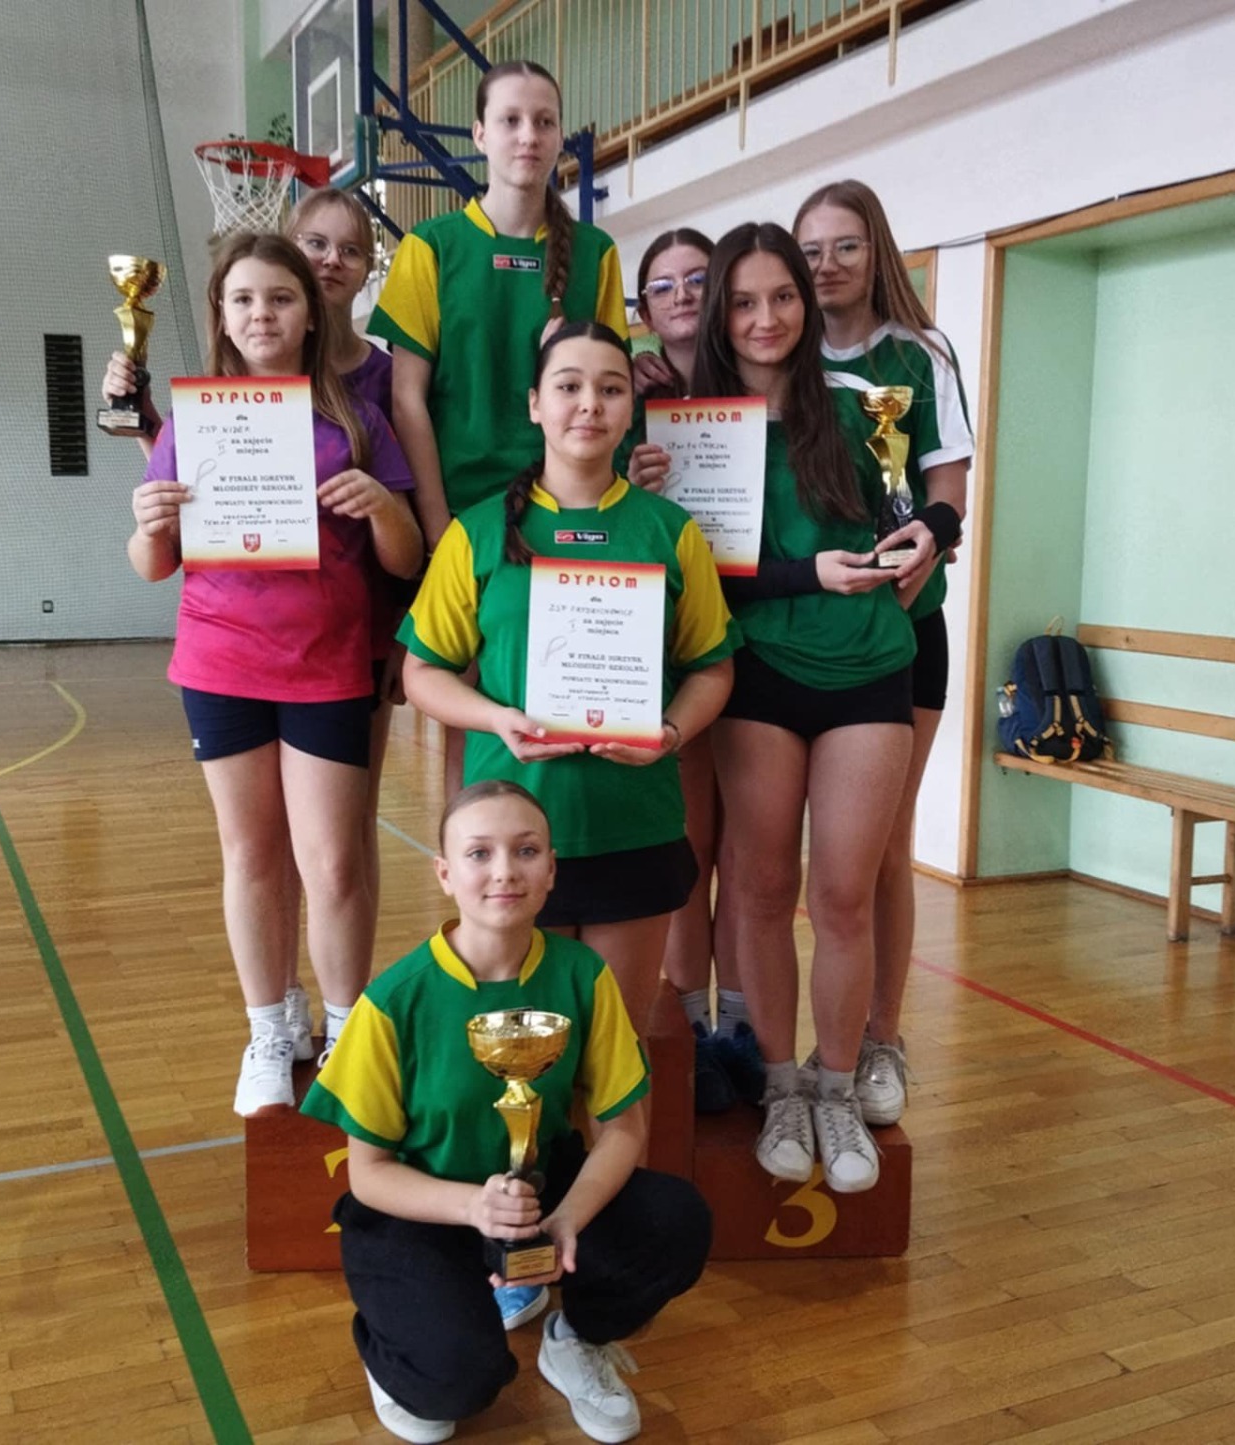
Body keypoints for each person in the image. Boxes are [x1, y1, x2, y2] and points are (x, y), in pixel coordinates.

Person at [302, 780, 711, 1444]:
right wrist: (473, 1207)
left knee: (676, 1218)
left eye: (526, 851)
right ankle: (395, 1353)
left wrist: (565, 1221)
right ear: (445, 873)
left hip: (540, 1191)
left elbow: (623, 1128)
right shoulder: (393, 1000)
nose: (504, 871)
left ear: (551, 869)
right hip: (422, 1208)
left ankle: (575, 1339)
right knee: (455, 1388)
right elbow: (368, 1174)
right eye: (479, 853)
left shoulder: (583, 974)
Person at [125, 232, 421, 1114]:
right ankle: (267, 1028)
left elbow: (407, 559)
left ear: (311, 313)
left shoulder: (357, 421)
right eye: (245, 298)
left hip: (328, 665)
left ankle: (344, 1031)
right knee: (251, 854)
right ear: (221, 315)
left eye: (281, 298)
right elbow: (153, 566)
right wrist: (148, 521)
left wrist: (382, 506)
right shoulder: (193, 423)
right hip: (221, 662)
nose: (263, 314)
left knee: (332, 861)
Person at [400, 321, 736, 1038]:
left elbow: (712, 667)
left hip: (632, 824)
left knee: (615, 1049)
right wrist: (496, 719)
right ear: (535, 404)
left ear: (629, 408)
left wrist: (671, 732)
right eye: (569, 386)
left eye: (611, 389)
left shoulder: (670, 531)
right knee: (522, 1058)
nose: (589, 404)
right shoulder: (477, 532)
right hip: (513, 836)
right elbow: (423, 672)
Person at [694, 222, 937, 1194]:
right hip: (758, 672)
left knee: (843, 893)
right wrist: (803, 574)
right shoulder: (693, 430)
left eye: (783, 296)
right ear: (720, 312)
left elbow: (914, 524)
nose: (766, 318)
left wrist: (909, 553)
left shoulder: (864, 407)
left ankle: (838, 1086)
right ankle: (782, 1084)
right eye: (744, 301)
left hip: (868, 670)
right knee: (761, 891)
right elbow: (698, 571)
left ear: (806, 301)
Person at [370, 59, 630, 798]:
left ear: (560, 137)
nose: (528, 135)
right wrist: (438, 527)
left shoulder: (596, 254)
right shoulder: (430, 247)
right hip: (466, 518)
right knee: (478, 721)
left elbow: (609, 387)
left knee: (570, 709)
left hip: (565, 513)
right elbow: (407, 399)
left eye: (544, 121)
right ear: (480, 134)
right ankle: (475, 866)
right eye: (511, 120)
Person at [795, 180, 973, 1126]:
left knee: (880, 851)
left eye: (846, 246)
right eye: (811, 249)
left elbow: (948, 488)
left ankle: (883, 1039)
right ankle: (789, 1047)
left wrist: (931, 535)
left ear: (877, 253)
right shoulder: (779, 355)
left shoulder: (921, 353)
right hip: (799, 635)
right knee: (797, 869)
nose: (826, 265)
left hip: (905, 630)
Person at [614, 230, 763, 1115]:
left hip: (761, 626)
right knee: (688, 844)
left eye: (698, 280)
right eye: (661, 285)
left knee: (748, 850)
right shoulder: (627, 393)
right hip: (665, 641)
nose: (681, 296)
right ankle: (687, 1026)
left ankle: (739, 1024)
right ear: (641, 305)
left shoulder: (758, 379)